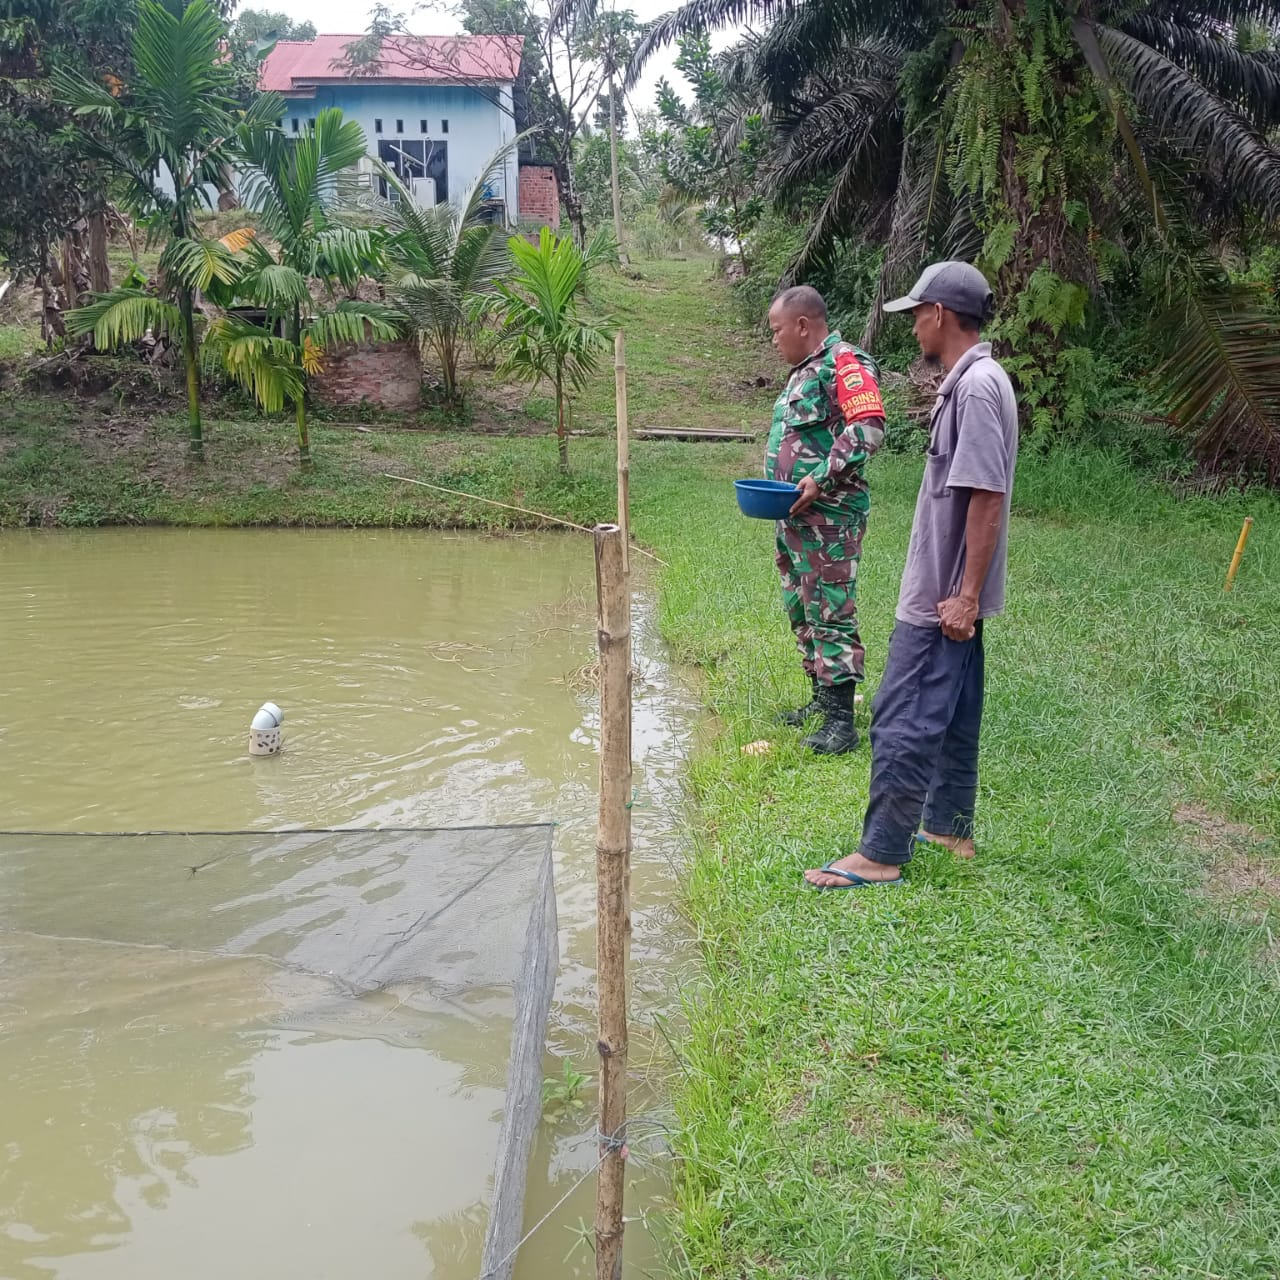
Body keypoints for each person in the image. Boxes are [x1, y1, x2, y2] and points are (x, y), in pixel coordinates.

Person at [803, 261, 1018, 888]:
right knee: (954, 712)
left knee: (900, 713)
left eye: (918, 314)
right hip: (953, 591)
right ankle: (949, 827)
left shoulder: (976, 389)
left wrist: (964, 596)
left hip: (943, 594)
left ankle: (882, 853)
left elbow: (987, 495)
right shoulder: (976, 381)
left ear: (941, 314)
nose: (915, 326)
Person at [765, 285, 886, 755]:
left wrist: (819, 478)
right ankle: (820, 699)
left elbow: (868, 427)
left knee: (830, 609)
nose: (774, 339)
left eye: (777, 330)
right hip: (795, 517)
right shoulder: (803, 372)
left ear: (802, 325)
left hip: (830, 518)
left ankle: (841, 723)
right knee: (802, 607)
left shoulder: (844, 363)